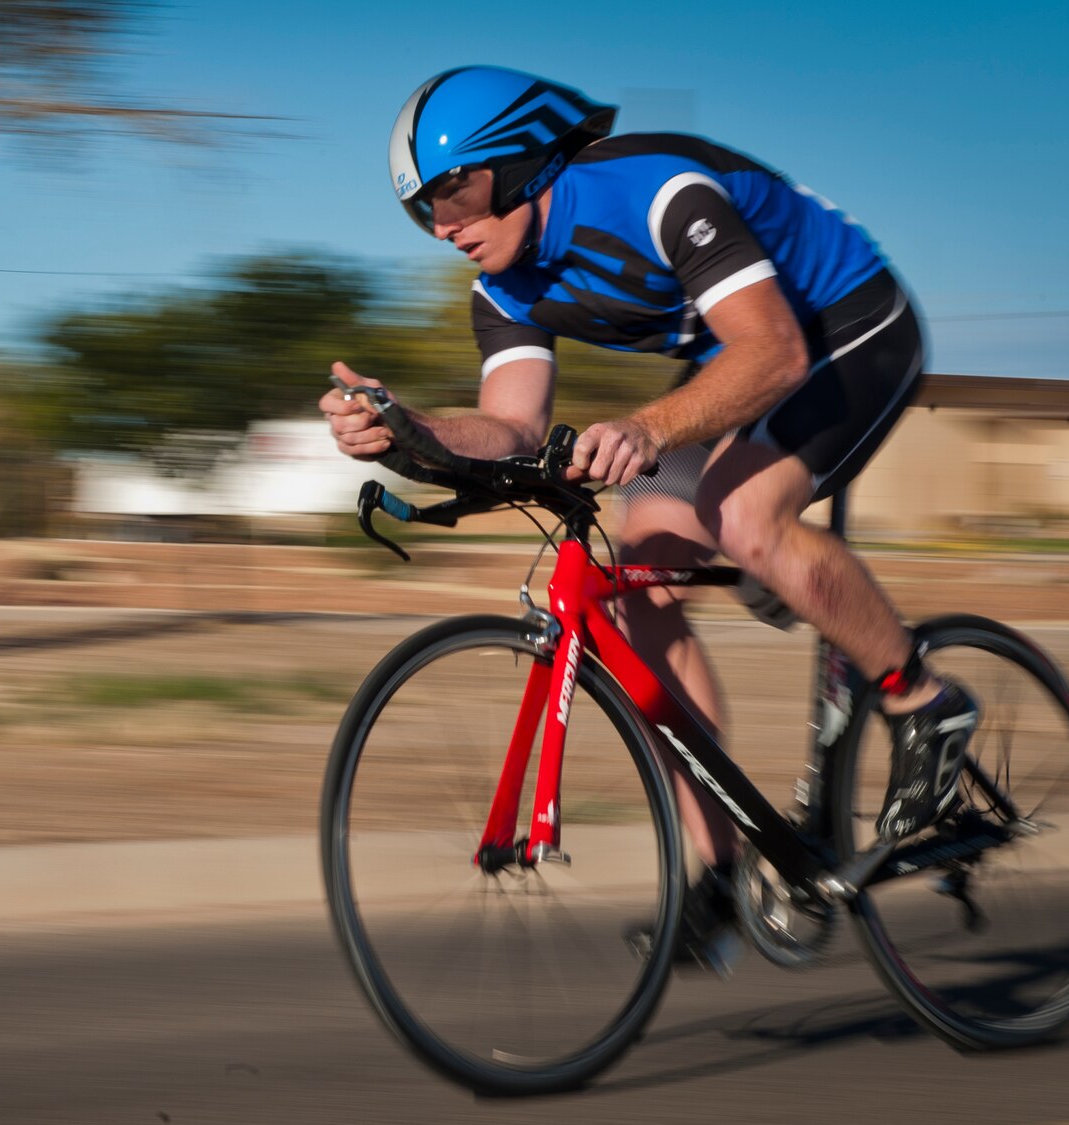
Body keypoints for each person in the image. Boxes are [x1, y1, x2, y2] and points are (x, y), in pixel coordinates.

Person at [321, 65, 979, 967]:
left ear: (519, 162)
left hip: (844, 324)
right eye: (421, 210)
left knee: (744, 516)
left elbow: (776, 349)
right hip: (738, 358)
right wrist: (406, 429)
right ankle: (720, 872)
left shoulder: (658, 191)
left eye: (454, 193)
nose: (443, 227)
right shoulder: (506, 284)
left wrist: (646, 427)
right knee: (637, 591)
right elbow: (510, 424)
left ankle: (925, 701)